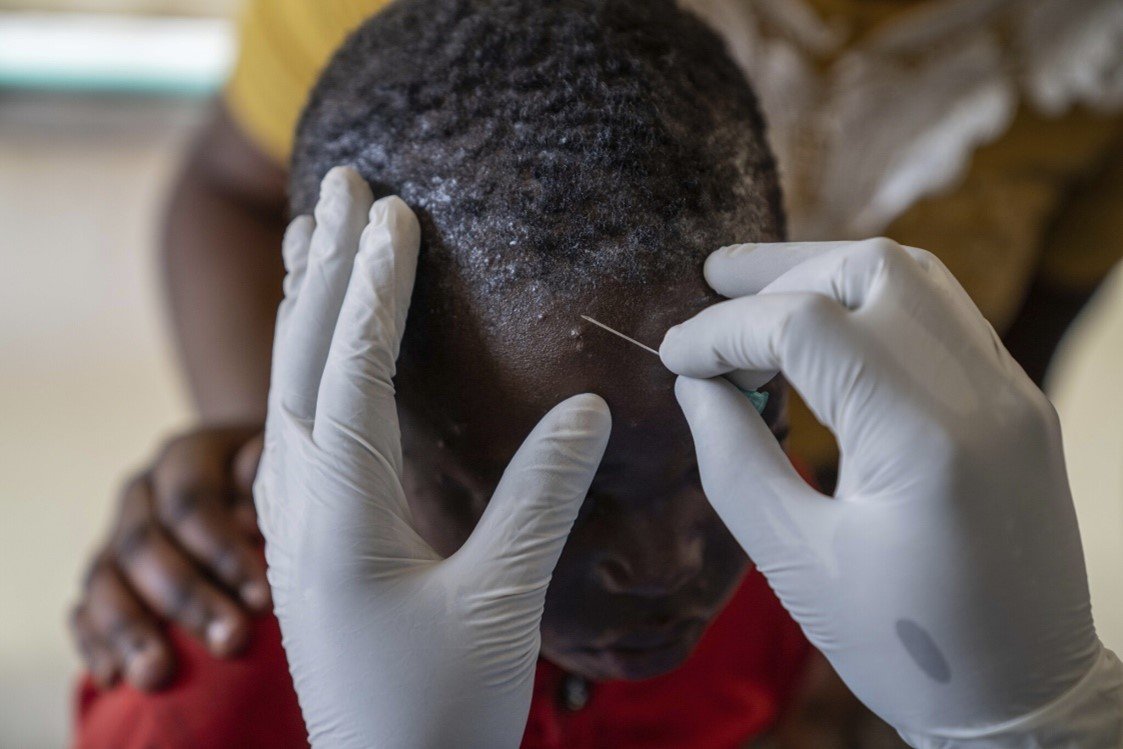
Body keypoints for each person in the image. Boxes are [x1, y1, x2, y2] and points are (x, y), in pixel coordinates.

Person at [71, 2, 838, 747]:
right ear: (366, 418)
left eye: (736, 442)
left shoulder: (791, 558)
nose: (667, 562)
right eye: (569, 496)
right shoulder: (204, 702)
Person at [257, 172, 1123, 747]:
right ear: (384, 440)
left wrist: (1036, 719)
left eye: (749, 429)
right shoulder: (213, 684)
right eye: (579, 499)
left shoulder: (827, 591)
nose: (667, 561)